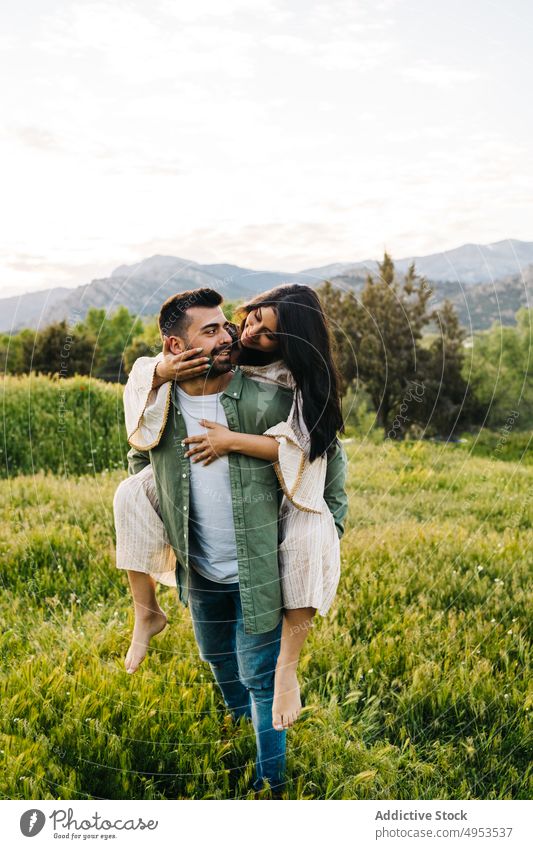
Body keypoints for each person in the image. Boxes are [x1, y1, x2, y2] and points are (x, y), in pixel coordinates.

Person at [114, 286, 347, 789]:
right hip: (200, 566)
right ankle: (153, 620)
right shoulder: (159, 396)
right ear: (176, 349)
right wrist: (158, 374)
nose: (238, 335)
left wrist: (331, 529)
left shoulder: (280, 393)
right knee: (218, 659)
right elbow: (140, 442)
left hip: (262, 563)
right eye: (218, 327)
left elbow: (327, 462)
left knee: (260, 676)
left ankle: (272, 782)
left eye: (229, 326)